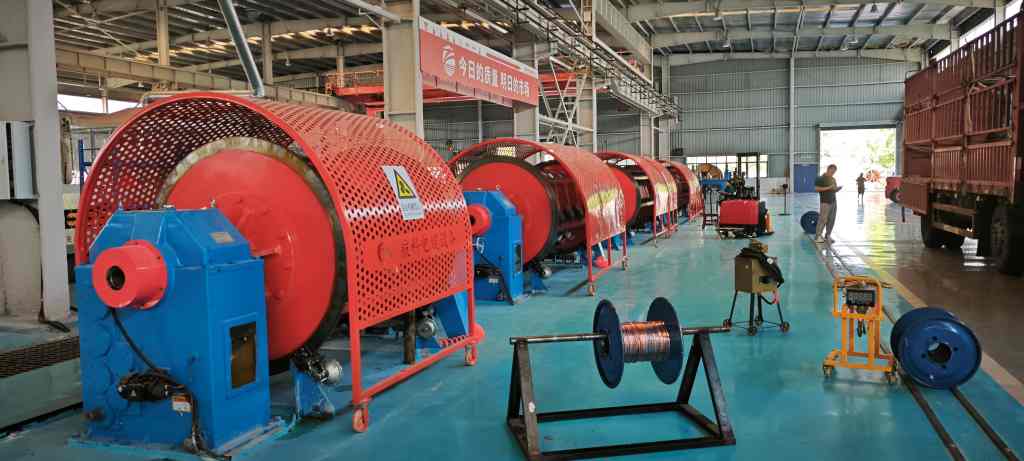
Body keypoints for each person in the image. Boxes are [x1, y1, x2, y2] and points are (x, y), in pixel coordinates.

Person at [814, 164, 841, 244]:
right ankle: (818, 236)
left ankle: (828, 235)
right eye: (832, 171)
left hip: (833, 201)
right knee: (823, 219)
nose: (833, 173)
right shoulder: (820, 178)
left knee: (831, 219)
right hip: (825, 202)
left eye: (834, 172)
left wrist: (837, 189)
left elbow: (834, 189)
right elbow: (816, 189)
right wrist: (829, 187)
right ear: (828, 169)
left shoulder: (833, 179)